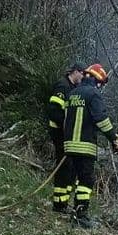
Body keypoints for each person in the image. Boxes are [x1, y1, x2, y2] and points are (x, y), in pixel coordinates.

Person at [63, 63, 118, 227]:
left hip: (69, 145)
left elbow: (68, 118)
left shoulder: (72, 93)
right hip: (84, 146)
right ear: (96, 80)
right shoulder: (93, 94)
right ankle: (81, 216)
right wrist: (113, 139)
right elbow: (101, 119)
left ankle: (74, 211)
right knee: (86, 180)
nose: (100, 87)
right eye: (100, 83)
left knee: (77, 178)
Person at [47, 60, 86, 213]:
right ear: (75, 72)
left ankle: (63, 202)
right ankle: (59, 204)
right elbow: (54, 111)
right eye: (82, 74)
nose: (83, 77)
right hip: (58, 132)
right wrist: (66, 125)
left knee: (70, 167)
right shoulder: (62, 86)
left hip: (67, 134)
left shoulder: (73, 89)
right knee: (64, 166)